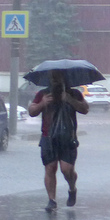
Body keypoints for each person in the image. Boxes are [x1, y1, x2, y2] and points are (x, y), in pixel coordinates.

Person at [28, 69, 89, 211]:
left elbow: (85, 109)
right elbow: (31, 111)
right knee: (50, 168)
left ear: (64, 78)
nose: (55, 80)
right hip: (48, 137)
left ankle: (72, 188)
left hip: (68, 137)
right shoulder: (43, 94)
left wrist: (69, 100)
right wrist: (42, 103)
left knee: (66, 170)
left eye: (57, 77)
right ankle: (52, 200)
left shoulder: (73, 93)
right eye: (52, 77)